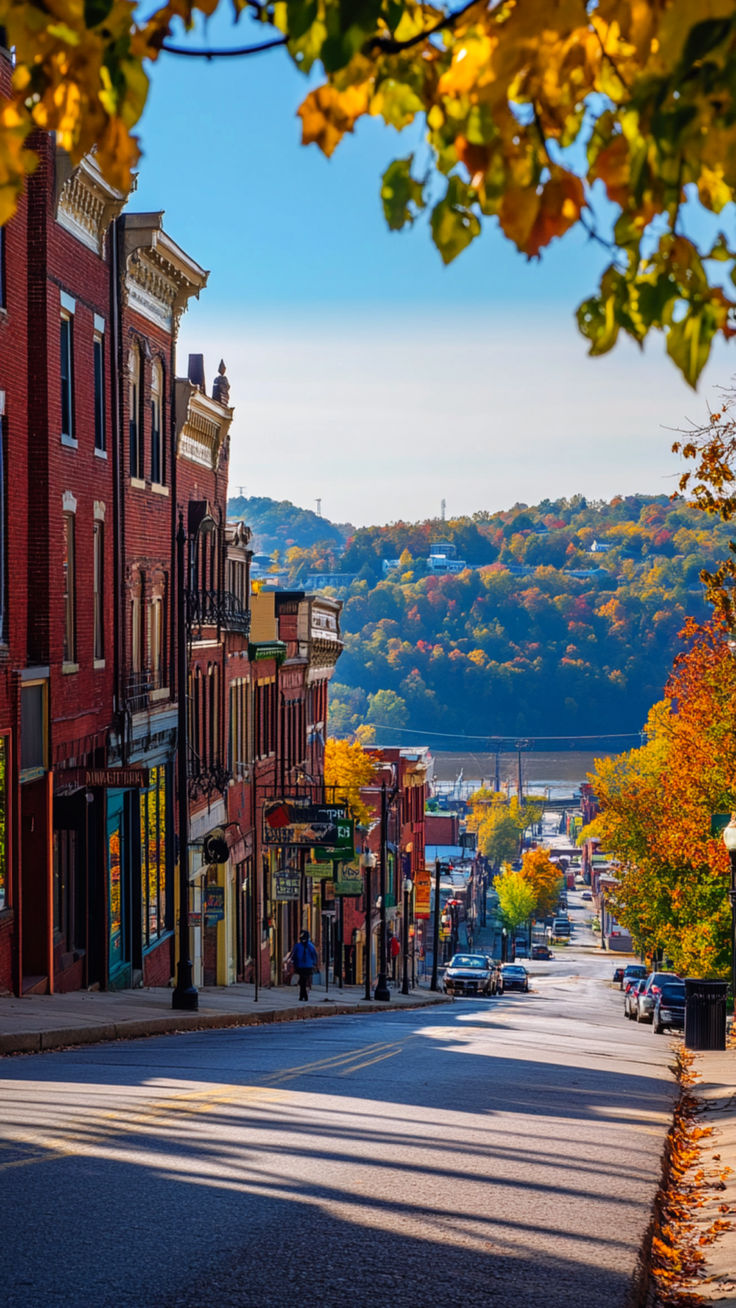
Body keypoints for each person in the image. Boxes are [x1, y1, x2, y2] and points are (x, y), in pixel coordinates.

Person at [292, 930, 319, 1002]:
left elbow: (314, 955)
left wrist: (315, 963)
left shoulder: (310, 946)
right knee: (302, 981)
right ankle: (303, 995)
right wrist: (294, 963)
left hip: (308, 966)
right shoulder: (298, 946)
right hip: (300, 966)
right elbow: (294, 955)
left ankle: (303, 996)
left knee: (303, 981)